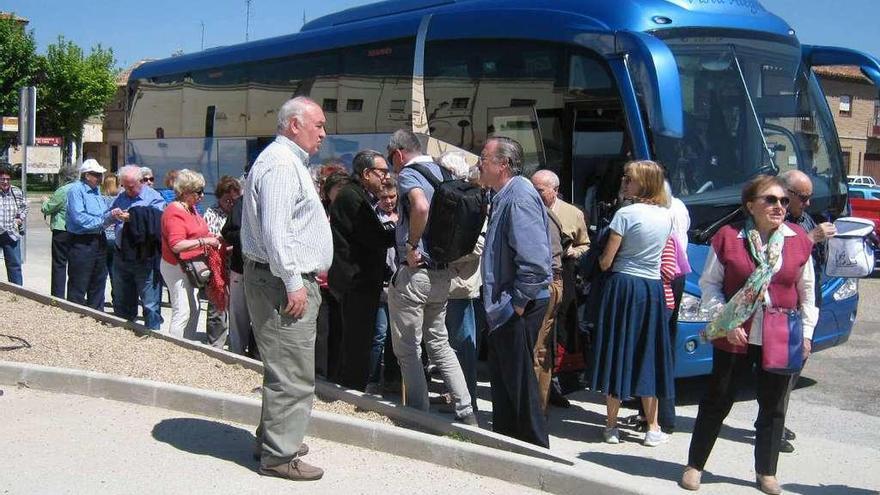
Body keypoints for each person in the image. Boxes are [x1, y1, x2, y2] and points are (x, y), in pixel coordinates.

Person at [681, 175, 818, 494]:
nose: (780, 206)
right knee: (717, 399)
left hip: (781, 334)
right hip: (734, 334)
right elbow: (710, 285)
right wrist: (725, 323)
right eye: (770, 200)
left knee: (773, 406)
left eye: (784, 201)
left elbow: (807, 292)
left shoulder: (797, 239)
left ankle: (766, 472)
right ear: (750, 205)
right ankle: (695, 465)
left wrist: (807, 334)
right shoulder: (729, 237)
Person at [241, 97, 332, 481]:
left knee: (283, 367)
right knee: (293, 372)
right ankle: (280, 456)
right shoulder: (281, 164)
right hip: (281, 282)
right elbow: (276, 234)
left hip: (277, 278)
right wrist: (294, 282)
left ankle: (275, 438)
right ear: (294, 124)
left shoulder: (284, 161)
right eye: (319, 125)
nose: (324, 134)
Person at [385, 129, 476, 425]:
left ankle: (418, 414)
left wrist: (411, 244)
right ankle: (465, 410)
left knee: (408, 348)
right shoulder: (445, 172)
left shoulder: (410, 174)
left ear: (399, 154)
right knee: (440, 344)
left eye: (391, 160)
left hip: (416, 273)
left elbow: (420, 206)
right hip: (442, 273)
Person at [592, 160, 674, 447]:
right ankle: (652, 427)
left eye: (629, 179)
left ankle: (612, 426)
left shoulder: (624, 215)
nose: (624, 182)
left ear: (644, 183)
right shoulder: (667, 217)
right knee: (646, 352)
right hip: (651, 289)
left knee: (618, 349)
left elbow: (605, 262)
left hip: (623, 285)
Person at [480, 136, 553, 447]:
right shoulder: (504, 194)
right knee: (506, 382)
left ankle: (536, 451)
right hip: (506, 305)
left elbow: (536, 262)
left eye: (484, 158)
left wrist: (517, 305)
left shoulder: (519, 196)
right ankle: (509, 444)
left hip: (517, 305)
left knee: (520, 385)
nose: (478, 164)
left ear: (503, 165)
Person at [775, 169, 836, 453]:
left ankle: (777, 420)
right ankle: (773, 426)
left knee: (795, 367)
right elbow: (779, 256)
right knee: (781, 369)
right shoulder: (774, 220)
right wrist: (811, 237)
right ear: (786, 193)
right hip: (783, 308)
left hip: (807, 302)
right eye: (804, 198)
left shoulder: (804, 218)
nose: (809, 204)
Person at [327, 150, 395, 391]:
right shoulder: (353, 197)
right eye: (382, 172)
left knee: (358, 339)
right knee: (357, 341)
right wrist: (398, 229)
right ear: (366, 174)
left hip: (362, 280)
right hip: (355, 281)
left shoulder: (362, 196)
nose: (386, 178)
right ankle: (350, 392)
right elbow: (374, 237)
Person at [531, 169, 590, 408]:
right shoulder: (528, 208)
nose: (535, 193)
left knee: (559, 332)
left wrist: (573, 252)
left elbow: (585, 244)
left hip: (562, 276)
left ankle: (554, 386)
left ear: (554, 190)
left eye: (540, 190)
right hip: (536, 277)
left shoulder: (572, 213)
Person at [438, 151, 485, 407]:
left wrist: (446, 256)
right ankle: (456, 393)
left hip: (460, 285)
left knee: (462, 345)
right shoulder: (452, 199)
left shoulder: (473, 200)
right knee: (448, 343)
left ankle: (468, 400)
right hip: (447, 283)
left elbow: (479, 244)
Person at [160, 169, 217, 339]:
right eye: (198, 192)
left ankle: (188, 344)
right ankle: (176, 347)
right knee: (182, 311)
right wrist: (204, 242)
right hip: (175, 267)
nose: (202, 196)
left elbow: (199, 231)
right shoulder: (174, 211)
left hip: (190, 266)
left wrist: (213, 238)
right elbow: (176, 244)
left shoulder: (191, 209)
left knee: (194, 308)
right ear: (186, 192)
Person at [108, 165, 166, 329]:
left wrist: (132, 217)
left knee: (149, 303)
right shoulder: (121, 197)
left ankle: (153, 335)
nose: (128, 190)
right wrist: (113, 215)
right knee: (121, 299)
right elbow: (107, 218)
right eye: (124, 186)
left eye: (131, 186)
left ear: (141, 182)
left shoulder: (155, 198)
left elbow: (157, 224)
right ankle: (123, 333)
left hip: (144, 257)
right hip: (122, 255)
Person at [202, 176, 242, 348]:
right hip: (217, 267)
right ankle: (215, 345)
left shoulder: (239, 212)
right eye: (227, 200)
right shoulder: (212, 213)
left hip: (235, 266)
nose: (230, 203)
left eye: (233, 200)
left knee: (236, 308)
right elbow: (210, 241)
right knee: (217, 307)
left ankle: (234, 342)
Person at [66, 159, 111, 310]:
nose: (100, 178)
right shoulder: (76, 190)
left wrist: (109, 217)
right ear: (87, 176)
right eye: (97, 175)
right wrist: (103, 220)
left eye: (100, 175)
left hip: (99, 239)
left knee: (99, 280)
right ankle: (75, 314)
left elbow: (102, 213)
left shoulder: (97, 191)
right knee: (79, 281)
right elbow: (79, 217)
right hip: (82, 241)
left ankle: (97, 314)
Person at [370, 178, 401, 395]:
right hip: (381, 282)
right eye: (384, 198)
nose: (388, 201)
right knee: (379, 333)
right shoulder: (373, 216)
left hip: (400, 282)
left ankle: (391, 377)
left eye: (392, 197)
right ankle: (371, 378)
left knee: (395, 335)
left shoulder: (403, 216)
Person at [220, 193, 254, 356]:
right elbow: (228, 232)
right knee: (239, 312)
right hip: (241, 267)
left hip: (268, 271)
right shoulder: (243, 202)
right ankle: (237, 352)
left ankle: (256, 352)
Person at [41, 175, 76, 297]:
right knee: (74, 265)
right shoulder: (79, 188)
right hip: (77, 230)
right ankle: (73, 297)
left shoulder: (63, 190)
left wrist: (45, 200)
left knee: (59, 264)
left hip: (61, 229)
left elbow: (48, 208)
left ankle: (58, 295)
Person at [0, 163, 27, 285]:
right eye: (2, 179)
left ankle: (17, 293)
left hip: (12, 233)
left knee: (14, 265)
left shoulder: (16, 192)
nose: (5, 182)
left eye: (7, 179)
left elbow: (24, 208)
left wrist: (20, 219)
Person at [101, 174, 120, 305]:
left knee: (102, 272)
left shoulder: (101, 199)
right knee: (115, 272)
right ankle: (117, 298)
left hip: (104, 237)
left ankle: (99, 299)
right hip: (116, 238)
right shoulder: (120, 200)